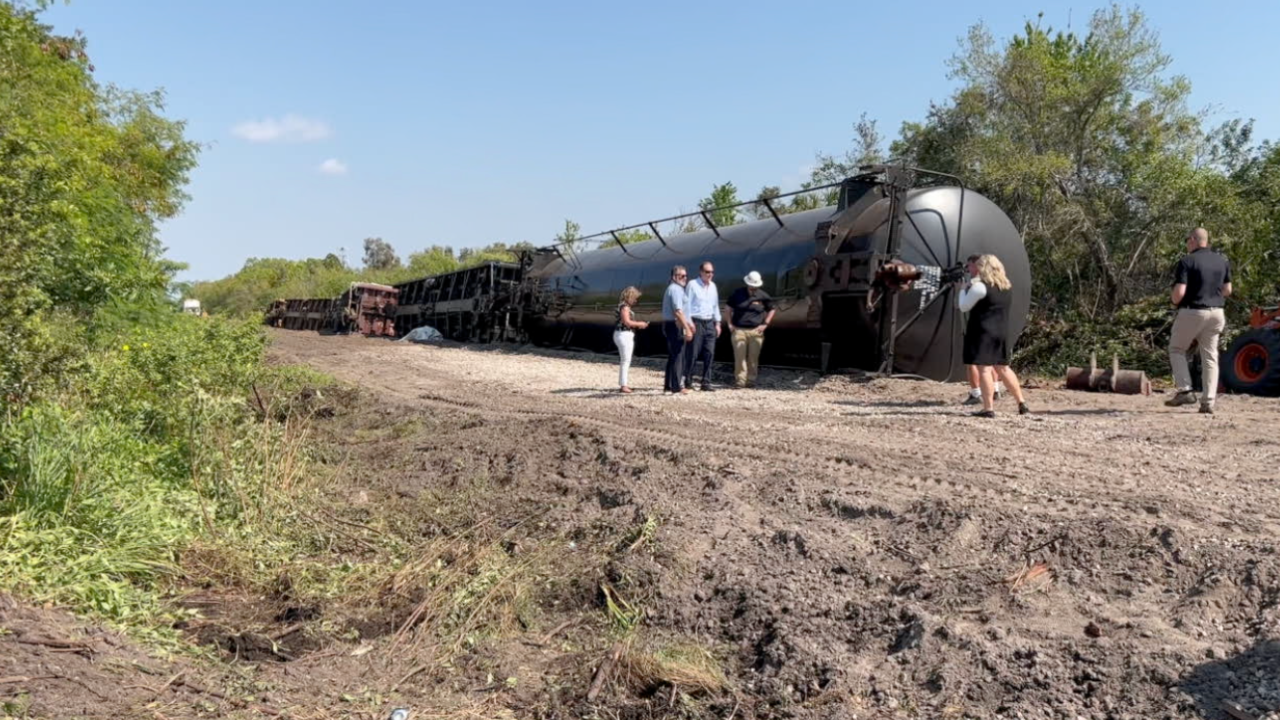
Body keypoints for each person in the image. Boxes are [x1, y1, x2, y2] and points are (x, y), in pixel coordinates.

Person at [1167, 227, 1231, 414]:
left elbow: (1179, 293)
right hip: (1217, 313)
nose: (1187, 244)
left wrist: (1173, 301)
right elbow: (1228, 290)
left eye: (1187, 240)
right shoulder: (1222, 261)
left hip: (1193, 312)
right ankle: (1208, 402)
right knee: (1210, 356)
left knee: (1176, 349)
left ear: (1193, 239)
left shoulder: (1187, 261)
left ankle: (1185, 390)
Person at [958, 254, 1029, 418]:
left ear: (984, 268)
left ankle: (988, 408)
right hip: (1001, 332)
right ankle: (1021, 402)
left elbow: (963, 306)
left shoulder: (980, 287)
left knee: (984, 369)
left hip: (983, 332)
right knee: (1003, 368)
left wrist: (962, 289)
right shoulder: (1006, 286)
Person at [725, 270, 775, 388]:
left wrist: (765, 324)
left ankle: (751, 380)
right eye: (752, 287)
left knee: (753, 357)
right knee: (740, 357)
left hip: (756, 331)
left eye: (755, 287)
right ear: (747, 284)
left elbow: (772, 309)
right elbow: (728, 308)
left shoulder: (763, 295)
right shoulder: (738, 293)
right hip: (739, 330)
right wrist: (729, 324)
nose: (753, 289)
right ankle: (740, 381)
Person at [683, 261, 722, 391]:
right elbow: (686, 306)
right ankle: (688, 380)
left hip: (709, 322)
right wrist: (689, 323)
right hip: (696, 322)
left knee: (709, 353)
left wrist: (718, 323)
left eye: (712, 272)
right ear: (701, 272)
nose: (710, 274)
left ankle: (706, 382)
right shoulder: (692, 285)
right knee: (693, 353)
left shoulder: (713, 286)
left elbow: (715, 306)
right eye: (707, 272)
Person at [661, 266, 694, 394]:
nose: (685, 278)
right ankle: (677, 386)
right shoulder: (675, 289)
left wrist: (690, 323)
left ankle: (669, 385)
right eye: (682, 276)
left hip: (673, 325)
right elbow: (678, 311)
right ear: (674, 277)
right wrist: (687, 328)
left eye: (686, 275)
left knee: (673, 355)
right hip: (675, 325)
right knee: (678, 356)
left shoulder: (675, 289)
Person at [613, 286, 649, 394]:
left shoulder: (622, 306)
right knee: (625, 360)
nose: (636, 301)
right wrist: (640, 324)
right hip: (624, 334)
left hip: (621, 334)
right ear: (630, 296)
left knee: (624, 360)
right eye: (635, 298)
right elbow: (627, 322)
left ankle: (623, 383)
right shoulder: (625, 307)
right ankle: (624, 385)